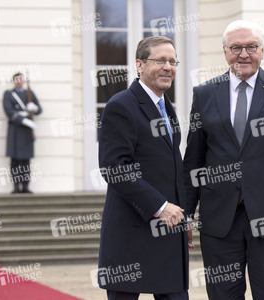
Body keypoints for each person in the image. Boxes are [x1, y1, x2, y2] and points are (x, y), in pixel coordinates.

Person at [184, 20, 264, 300]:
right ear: (224, 51)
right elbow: (193, 160)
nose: (244, 54)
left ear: (263, 51)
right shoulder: (204, 94)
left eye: (251, 47)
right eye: (236, 48)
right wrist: (185, 213)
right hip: (219, 219)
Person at [97, 36, 189, 300]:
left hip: (169, 233)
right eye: (160, 60)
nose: (168, 67)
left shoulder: (166, 107)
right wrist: (160, 206)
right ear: (139, 64)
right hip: (131, 236)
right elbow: (114, 167)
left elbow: (173, 166)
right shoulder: (121, 105)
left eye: (172, 62)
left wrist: (185, 216)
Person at [3, 72, 42, 193]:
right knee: (15, 160)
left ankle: (25, 186)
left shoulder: (29, 93)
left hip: (26, 132)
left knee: (26, 160)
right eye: (16, 79)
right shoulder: (8, 94)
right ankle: (16, 186)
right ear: (14, 81)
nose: (19, 81)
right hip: (15, 129)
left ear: (23, 81)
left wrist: (33, 108)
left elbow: (39, 110)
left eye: (21, 79)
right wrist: (23, 120)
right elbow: (9, 111)